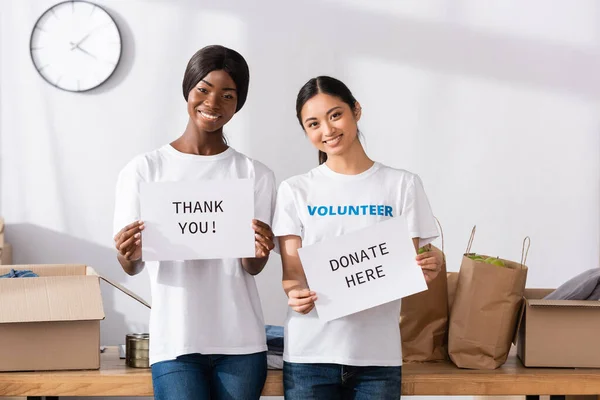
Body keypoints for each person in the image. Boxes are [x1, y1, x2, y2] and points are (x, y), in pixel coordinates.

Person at [113, 45, 276, 400]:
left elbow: (253, 267)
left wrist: (261, 248)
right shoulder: (144, 170)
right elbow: (130, 266)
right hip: (176, 342)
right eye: (203, 89)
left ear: (238, 103)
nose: (213, 103)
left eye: (227, 95)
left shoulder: (255, 174)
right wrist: (127, 251)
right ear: (188, 89)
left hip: (241, 344)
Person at [272, 76, 443, 399]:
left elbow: (403, 270)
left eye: (335, 115)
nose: (327, 130)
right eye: (313, 124)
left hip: (377, 358)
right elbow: (293, 275)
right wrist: (295, 294)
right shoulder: (294, 191)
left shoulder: (402, 185)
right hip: (310, 355)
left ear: (356, 111)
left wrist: (424, 271)